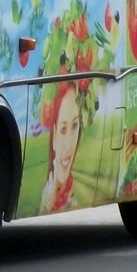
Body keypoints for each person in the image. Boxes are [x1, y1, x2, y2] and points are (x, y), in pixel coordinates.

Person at [40, 81, 84, 213]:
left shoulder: (72, 195)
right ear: (54, 136)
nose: (69, 145)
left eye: (75, 126)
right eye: (63, 129)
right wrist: (48, 204)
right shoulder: (47, 195)